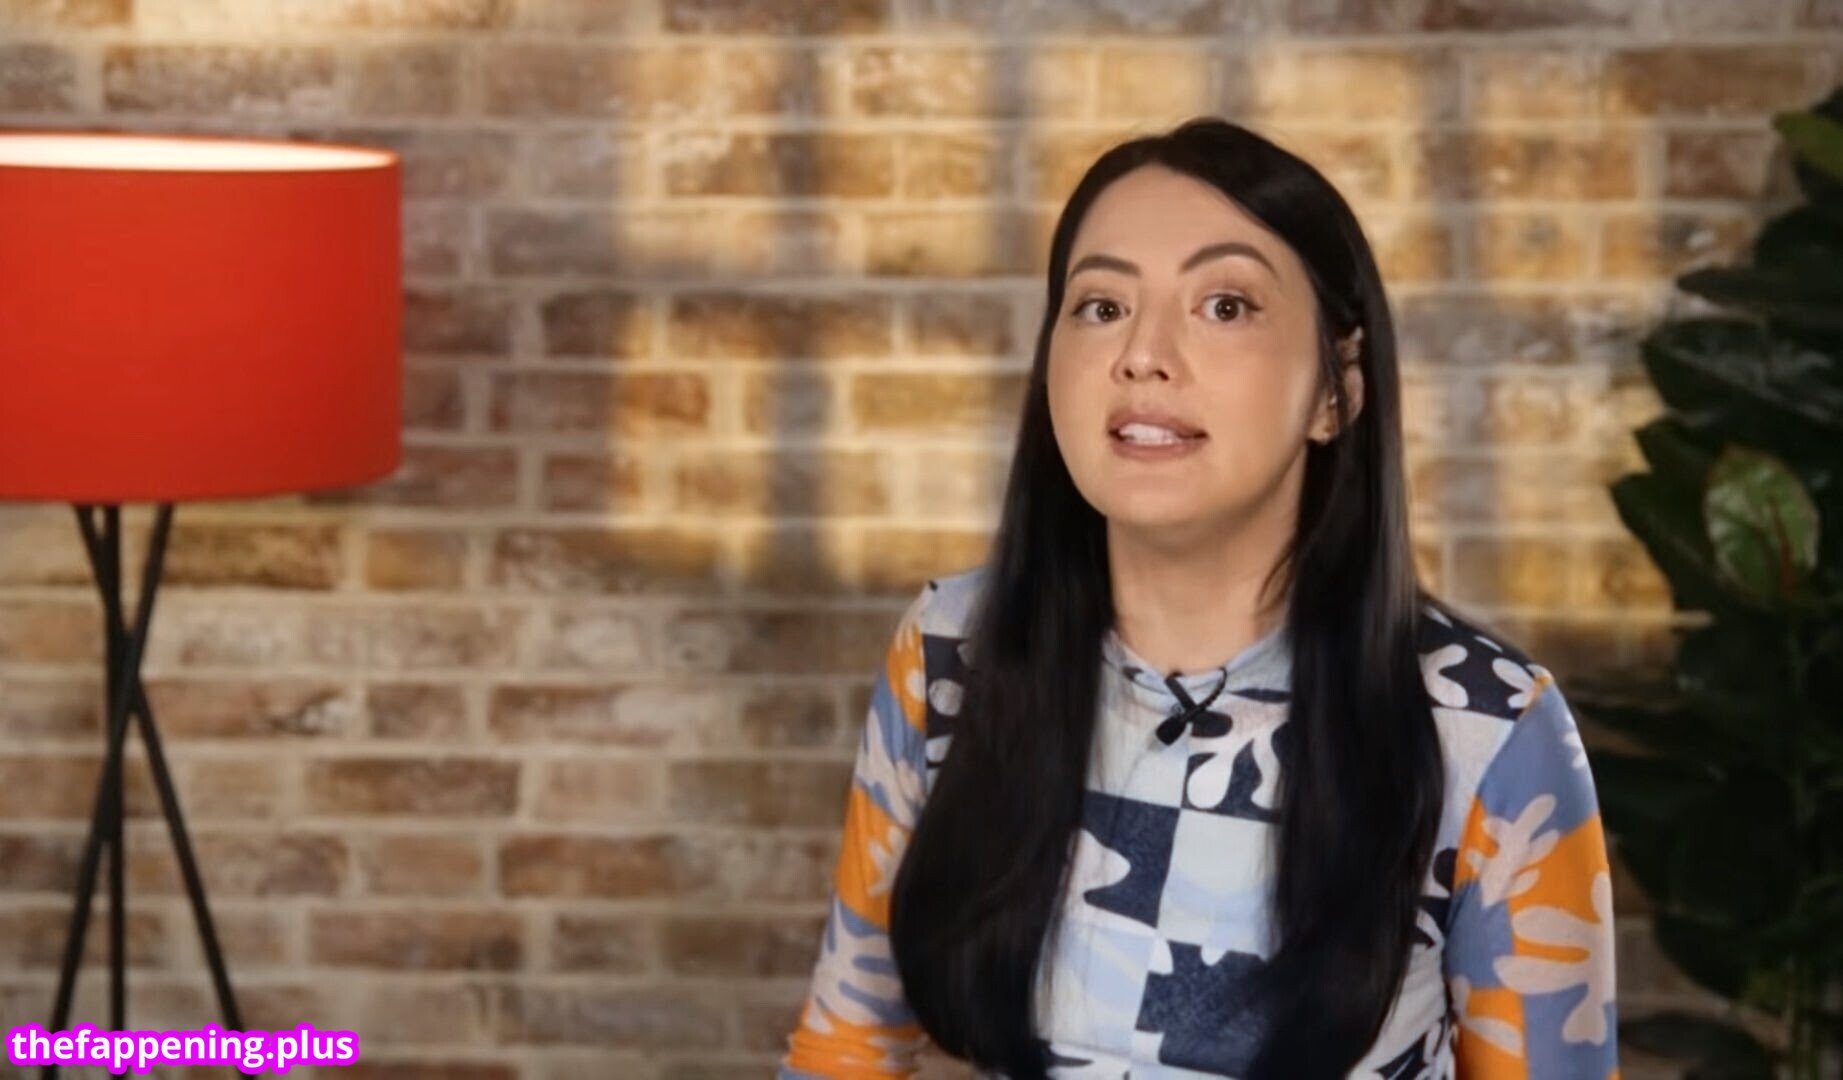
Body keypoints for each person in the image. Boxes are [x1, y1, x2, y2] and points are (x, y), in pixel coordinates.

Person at [778, 118, 1618, 1079]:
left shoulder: (1488, 726)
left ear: (1336, 389)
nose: (1143, 354)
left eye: (1224, 305)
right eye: (1100, 306)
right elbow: (846, 1047)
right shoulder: (951, 651)